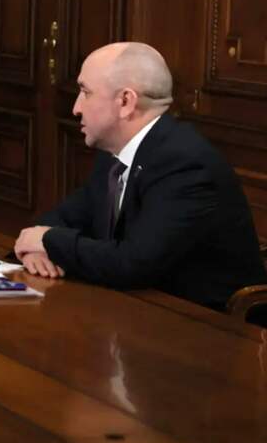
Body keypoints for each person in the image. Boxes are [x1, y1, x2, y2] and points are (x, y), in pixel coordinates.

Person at [14, 42, 266, 311]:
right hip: (139, 308)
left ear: (125, 101)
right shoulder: (115, 152)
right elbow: (64, 217)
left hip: (206, 323)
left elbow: (133, 263)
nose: (76, 107)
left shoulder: (184, 163)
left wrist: (47, 241)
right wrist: (37, 248)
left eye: (85, 92)